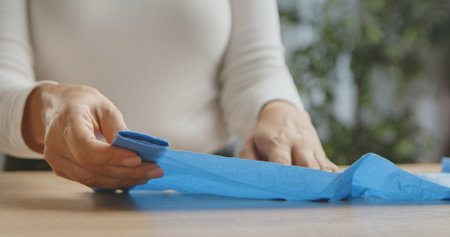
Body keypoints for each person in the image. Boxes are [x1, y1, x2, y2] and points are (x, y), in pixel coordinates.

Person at [0, 0, 339, 188]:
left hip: (200, 196)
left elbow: (255, 65)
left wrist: (279, 109)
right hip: (48, 193)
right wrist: (50, 108)